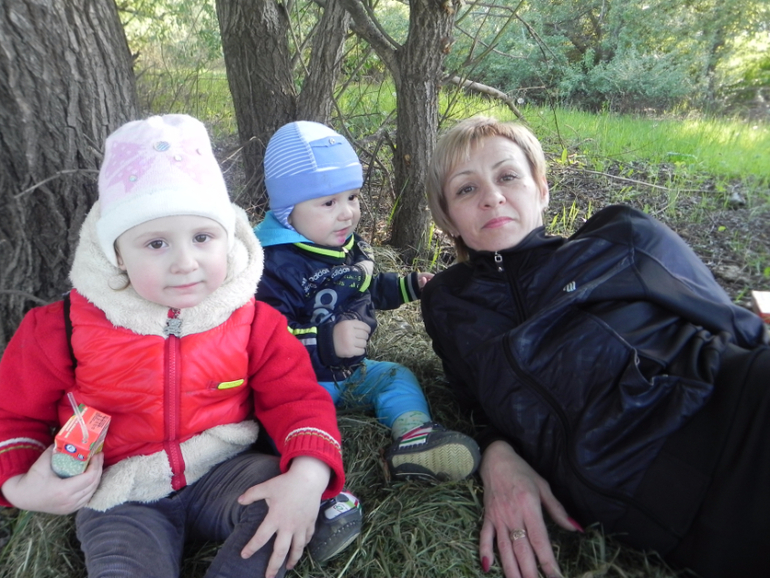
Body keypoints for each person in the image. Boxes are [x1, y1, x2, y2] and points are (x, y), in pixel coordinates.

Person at [421, 115, 770, 578]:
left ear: (541, 189)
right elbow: (472, 402)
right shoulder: (447, 303)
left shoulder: (621, 237)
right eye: (467, 188)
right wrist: (497, 455)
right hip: (663, 515)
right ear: (448, 218)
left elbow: (738, 328)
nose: (492, 196)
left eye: (508, 176)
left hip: (736, 418)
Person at [0, 114, 348, 578]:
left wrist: (308, 474)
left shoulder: (253, 321)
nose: (185, 262)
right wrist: (21, 487)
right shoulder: (58, 328)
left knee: (285, 505)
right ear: (116, 254)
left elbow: (297, 398)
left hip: (225, 470)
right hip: (122, 496)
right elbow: (12, 415)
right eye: (156, 243)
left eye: (203, 237)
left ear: (228, 239)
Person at [254, 120, 481, 487]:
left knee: (396, 376)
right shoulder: (274, 266)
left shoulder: (344, 244)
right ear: (287, 211)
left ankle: (414, 437)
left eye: (352, 197)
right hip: (298, 386)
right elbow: (265, 339)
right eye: (329, 202)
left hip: (351, 373)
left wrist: (409, 286)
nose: (347, 212)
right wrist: (328, 341)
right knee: (287, 423)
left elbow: (364, 288)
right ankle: (306, 483)